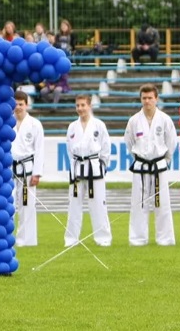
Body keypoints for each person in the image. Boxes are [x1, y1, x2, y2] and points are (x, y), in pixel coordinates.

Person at [124, 83, 178, 246]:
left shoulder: (165, 120)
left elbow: (171, 142)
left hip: (159, 165)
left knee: (162, 203)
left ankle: (165, 239)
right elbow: (129, 142)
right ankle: (138, 238)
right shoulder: (134, 121)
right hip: (141, 165)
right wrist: (139, 157)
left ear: (156, 99)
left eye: (150, 98)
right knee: (139, 204)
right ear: (141, 99)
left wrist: (165, 160)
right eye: (144, 98)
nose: (147, 101)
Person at [64, 94, 112, 247]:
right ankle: (71, 239)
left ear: (89, 106)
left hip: (94, 166)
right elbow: (69, 149)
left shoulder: (99, 125)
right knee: (74, 204)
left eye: (83, 105)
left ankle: (103, 238)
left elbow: (106, 148)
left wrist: (102, 165)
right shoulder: (72, 126)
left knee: (98, 204)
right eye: (78, 105)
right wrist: (74, 164)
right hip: (78, 167)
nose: (80, 108)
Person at [11, 90, 45, 247]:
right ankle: (7, 238)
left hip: (27, 168)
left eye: (21, 104)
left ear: (26, 105)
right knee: (8, 203)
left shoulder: (35, 124)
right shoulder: (6, 122)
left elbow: (40, 149)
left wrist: (37, 173)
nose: (18, 107)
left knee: (27, 205)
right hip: (10, 168)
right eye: (15, 104)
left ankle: (27, 240)